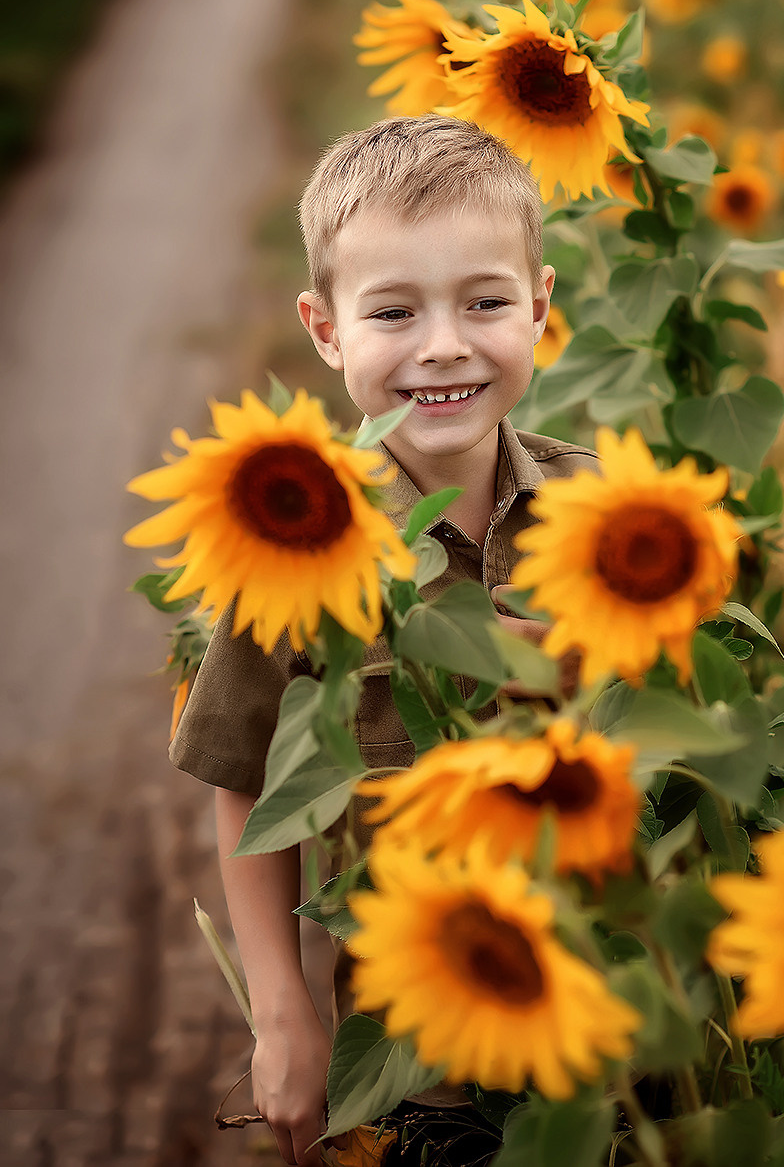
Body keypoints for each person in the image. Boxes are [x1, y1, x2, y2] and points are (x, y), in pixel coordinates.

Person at [168, 114, 599, 1166]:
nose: (444, 345)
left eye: (485, 302)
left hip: (611, 1037)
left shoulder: (609, 521)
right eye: (394, 311)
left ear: (540, 311)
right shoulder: (292, 547)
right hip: (422, 1068)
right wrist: (282, 1013)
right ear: (325, 330)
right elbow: (245, 777)